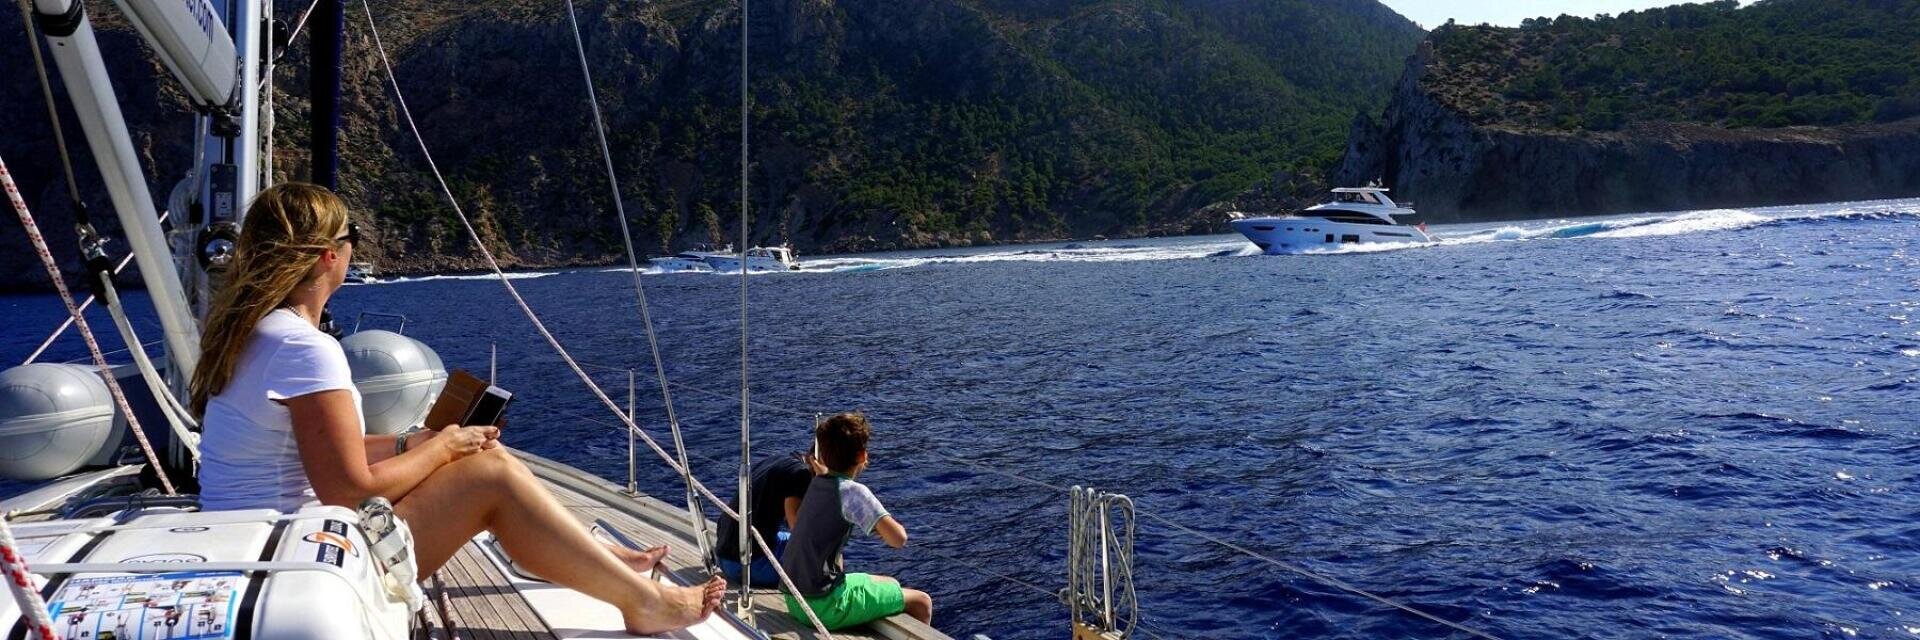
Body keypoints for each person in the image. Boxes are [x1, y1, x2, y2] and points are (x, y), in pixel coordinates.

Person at [189, 183, 724, 635]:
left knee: (479, 456)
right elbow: (347, 490)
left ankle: (611, 565)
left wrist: (411, 443)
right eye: (351, 238)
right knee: (486, 472)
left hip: (266, 536)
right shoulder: (305, 348)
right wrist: (445, 444)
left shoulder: (254, 333)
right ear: (331, 255)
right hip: (307, 553)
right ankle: (643, 602)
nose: (354, 249)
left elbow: (313, 453)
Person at [779, 413, 932, 628]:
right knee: (922, 601)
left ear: (821, 455)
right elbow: (898, 539)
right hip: (824, 607)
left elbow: (829, 483)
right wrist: (880, 524)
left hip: (795, 600)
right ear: (862, 456)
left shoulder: (817, 482)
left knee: (892, 584)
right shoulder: (853, 492)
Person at [715, 450, 825, 588]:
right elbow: (800, 533)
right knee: (823, 553)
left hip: (724, 557)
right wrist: (826, 486)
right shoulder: (802, 475)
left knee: (790, 539)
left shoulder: (779, 459)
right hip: (750, 566)